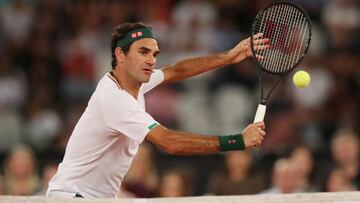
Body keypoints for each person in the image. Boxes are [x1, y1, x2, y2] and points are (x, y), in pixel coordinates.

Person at [46, 22, 268, 198]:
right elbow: (170, 142)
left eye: (154, 54)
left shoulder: (133, 80)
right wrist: (238, 141)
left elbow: (175, 71)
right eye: (143, 52)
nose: (151, 60)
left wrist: (228, 57)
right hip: (74, 196)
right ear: (120, 55)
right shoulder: (114, 99)